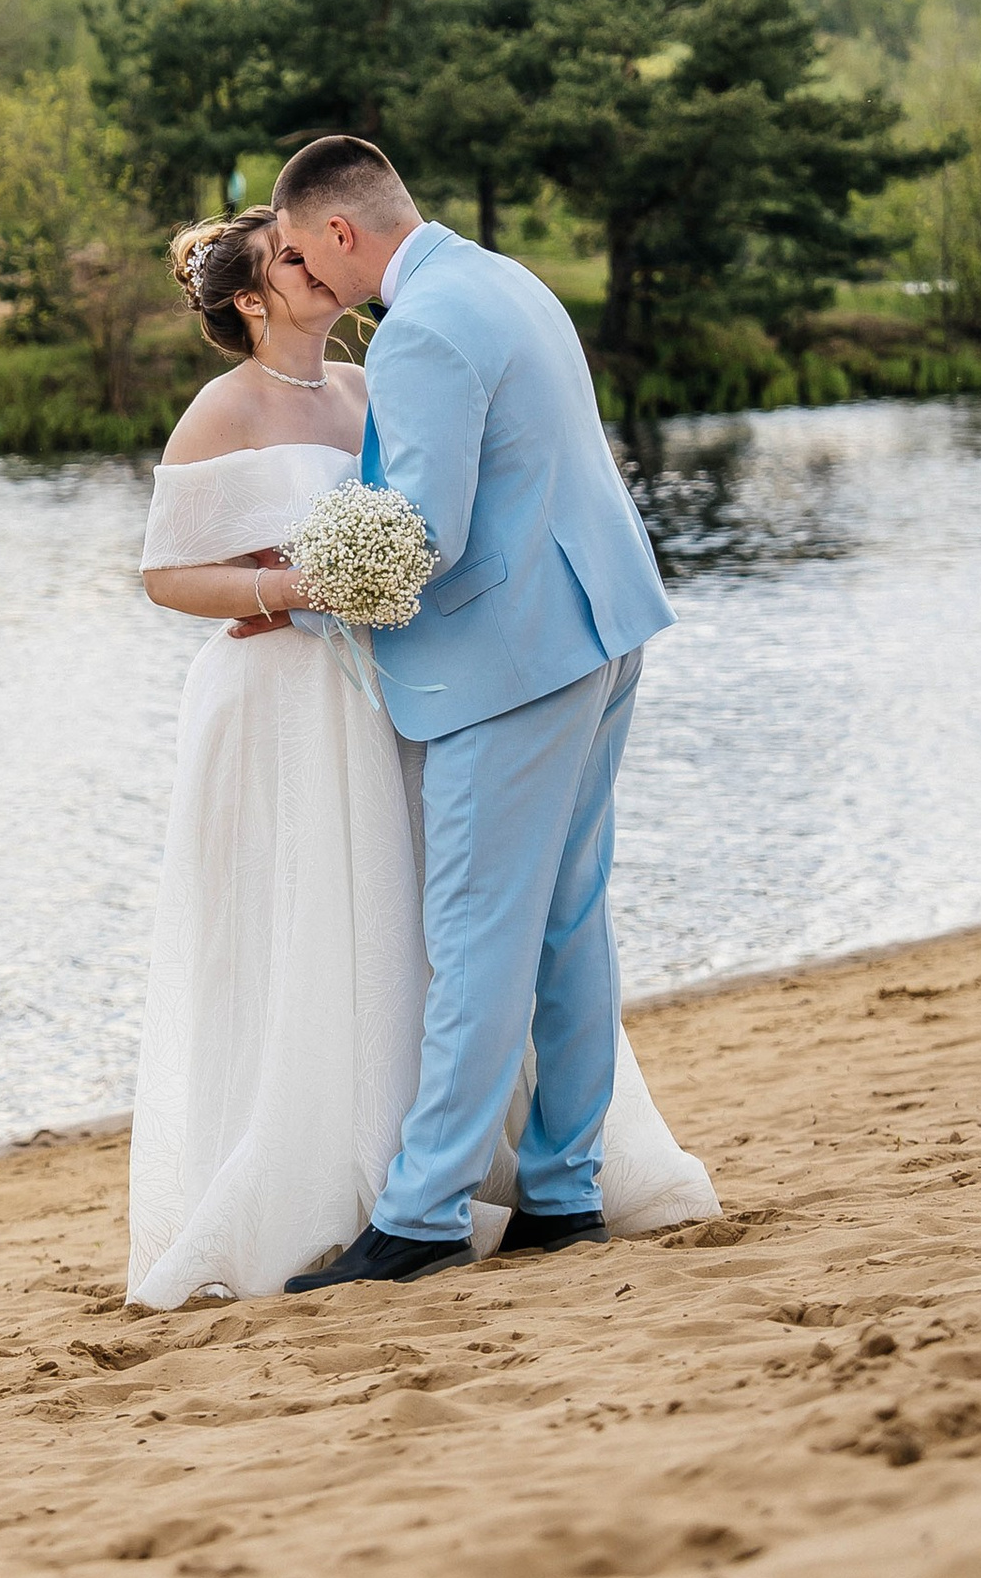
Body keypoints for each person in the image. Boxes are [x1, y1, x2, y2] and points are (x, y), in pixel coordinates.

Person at [127, 188, 711, 1309]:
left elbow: (422, 536)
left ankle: (434, 1206)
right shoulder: (239, 401)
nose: (305, 272)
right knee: (444, 925)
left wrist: (312, 597)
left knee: (460, 930)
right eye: (281, 263)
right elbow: (164, 573)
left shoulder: (386, 362)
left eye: (304, 249)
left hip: (430, 673)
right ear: (252, 300)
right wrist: (276, 585)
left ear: (338, 234)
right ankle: (527, 1185)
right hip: (329, 696)